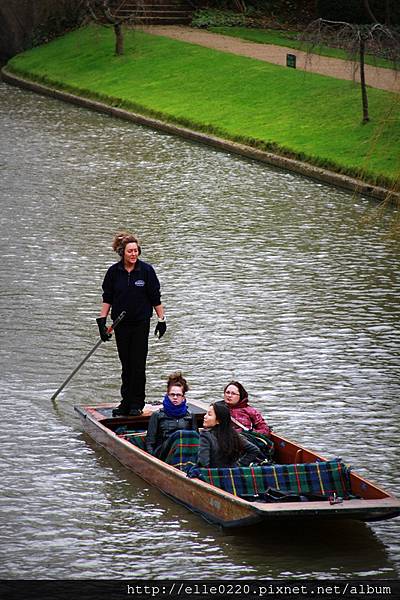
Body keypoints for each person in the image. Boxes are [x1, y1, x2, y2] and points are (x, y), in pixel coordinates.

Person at [97, 231, 167, 417]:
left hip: (140, 323)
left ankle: (137, 403)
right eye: (130, 251)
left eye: (136, 251)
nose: (134, 254)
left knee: (138, 364)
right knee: (125, 364)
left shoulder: (146, 271)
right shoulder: (114, 272)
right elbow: (108, 297)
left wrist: (161, 320)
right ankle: (125, 402)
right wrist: (102, 322)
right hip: (121, 324)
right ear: (122, 253)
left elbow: (155, 297)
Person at [146, 372, 197, 457]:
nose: (175, 397)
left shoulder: (190, 416)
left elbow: (195, 440)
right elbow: (150, 444)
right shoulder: (157, 415)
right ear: (167, 395)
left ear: (183, 397)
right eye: (172, 394)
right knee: (178, 435)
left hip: (184, 453)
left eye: (178, 395)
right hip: (163, 454)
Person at [197, 401, 260, 468]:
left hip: (213, 475)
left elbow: (203, 463)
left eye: (209, 415)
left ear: (218, 421)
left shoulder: (205, 435)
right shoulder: (234, 434)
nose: (204, 416)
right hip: (232, 473)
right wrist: (240, 465)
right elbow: (254, 450)